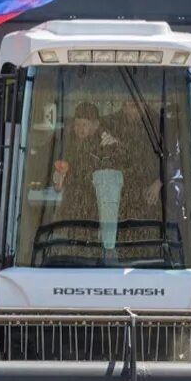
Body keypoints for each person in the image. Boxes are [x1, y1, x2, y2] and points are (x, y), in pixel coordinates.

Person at [53, 102, 126, 264]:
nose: (80, 129)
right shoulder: (65, 144)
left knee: (89, 256)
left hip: (94, 210)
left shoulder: (106, 145)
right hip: (69, 208)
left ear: (95, 125)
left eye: (84, 124)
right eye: (77, 124)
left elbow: (119, 170)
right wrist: (58, 178)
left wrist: (117, 146)